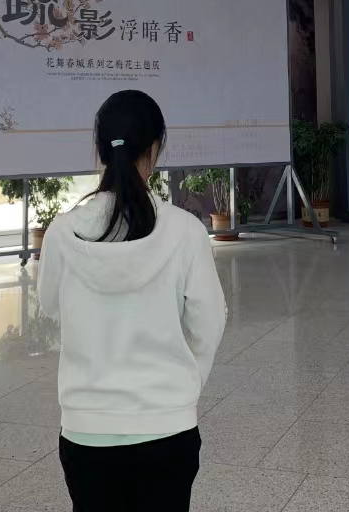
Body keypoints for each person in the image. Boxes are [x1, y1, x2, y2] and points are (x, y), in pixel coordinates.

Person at [38, 90, 227, 511]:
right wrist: (184, 384)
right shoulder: (184, 230)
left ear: (101, 149)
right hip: (168, 427)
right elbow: (210, 321)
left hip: (86, 429)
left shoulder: (62, 233)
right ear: (154, 148)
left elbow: (50, 306)